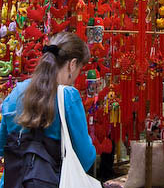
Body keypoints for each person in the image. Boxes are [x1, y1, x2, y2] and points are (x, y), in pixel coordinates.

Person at [0, 32, 96, 187]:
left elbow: (1, 145)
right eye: (80, 68)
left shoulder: (15, 94)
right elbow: (85, 158)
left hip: (13, 182)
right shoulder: (68, 97)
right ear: (72, 64)